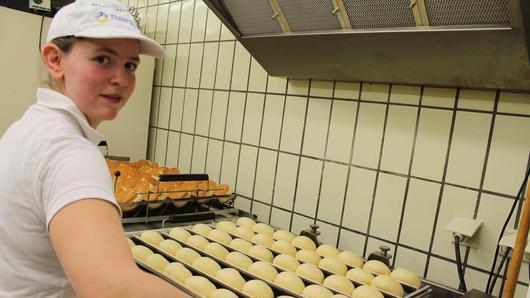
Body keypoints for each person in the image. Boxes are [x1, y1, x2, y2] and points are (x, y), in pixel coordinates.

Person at [0, 1, 190, 297]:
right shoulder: (69, 152)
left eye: (130, 65)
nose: (121, 79)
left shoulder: (27, 129)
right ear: (55, 60)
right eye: (103, 59)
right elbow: (111, 288)